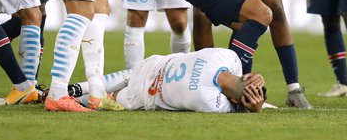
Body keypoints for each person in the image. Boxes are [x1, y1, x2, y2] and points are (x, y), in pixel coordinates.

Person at [69, 48, 266, 113]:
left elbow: (240, 77)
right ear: (235, 101)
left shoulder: (228, 56)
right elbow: (238, 106)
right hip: (143, 95)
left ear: (246, 75)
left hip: (153, 64)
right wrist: (253, 108)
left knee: (119, 78)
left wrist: (252, 78)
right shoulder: (209, 101)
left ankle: (71, 89)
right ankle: (75, 100)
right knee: (105, 99)